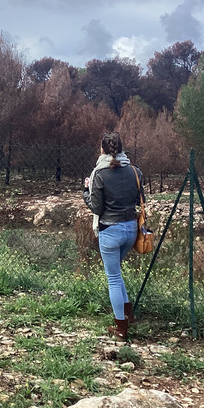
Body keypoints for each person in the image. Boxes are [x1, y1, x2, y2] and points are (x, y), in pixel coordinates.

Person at [83, 132, 144, 341]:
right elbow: (139, 198)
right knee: (116, 273)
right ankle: (128, 313)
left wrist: (85, 191)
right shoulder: (135, 172)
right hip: (131, 229)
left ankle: (121, 328)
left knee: (114, 277)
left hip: (110, 230)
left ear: (102, 150)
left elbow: (96, 206)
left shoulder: (99, 174)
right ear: (121, 148)